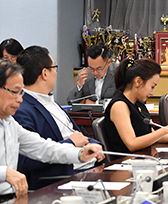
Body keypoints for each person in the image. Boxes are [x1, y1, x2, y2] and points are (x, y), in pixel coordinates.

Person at [0, 60, 103, 200]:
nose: (20, 100)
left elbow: (43, 148)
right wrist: (4, 173)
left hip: (14, 196)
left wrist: (80, 154)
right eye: (15, 92)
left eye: (21, 93)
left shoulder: (9, 123)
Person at [104, 58, 168, 155]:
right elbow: (132, 144)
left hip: (142, 157)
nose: (153, 93)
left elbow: (151, 135)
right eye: (152, 86)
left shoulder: (138, 103)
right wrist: (166, 130)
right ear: (138, 81)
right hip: (124, 162)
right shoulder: (119, 105)